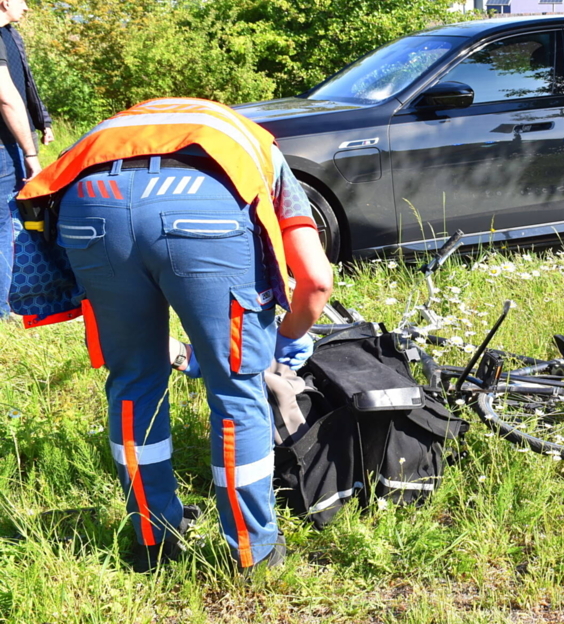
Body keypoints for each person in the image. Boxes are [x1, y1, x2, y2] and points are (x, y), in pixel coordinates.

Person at [19, 97, 334, 572]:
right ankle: (253, 551)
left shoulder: (112, 130)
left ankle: (153, 539)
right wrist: (280, 342)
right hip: (206, 210)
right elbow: (316, 280)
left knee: (132, 384)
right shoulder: (254, 142)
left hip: (88, 207)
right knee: (236, 391)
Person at [0, 0, 50, 319]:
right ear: (4, 2)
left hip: (11, 144)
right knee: (4, 224)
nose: (26, 6)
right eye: (22, 0)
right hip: (4, 149)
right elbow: (6, 99)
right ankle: (3, 311)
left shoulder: (9, 36)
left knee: (24, 219)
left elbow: (24, 85)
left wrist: (41, 121)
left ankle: (25, 291)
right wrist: (31, 154)